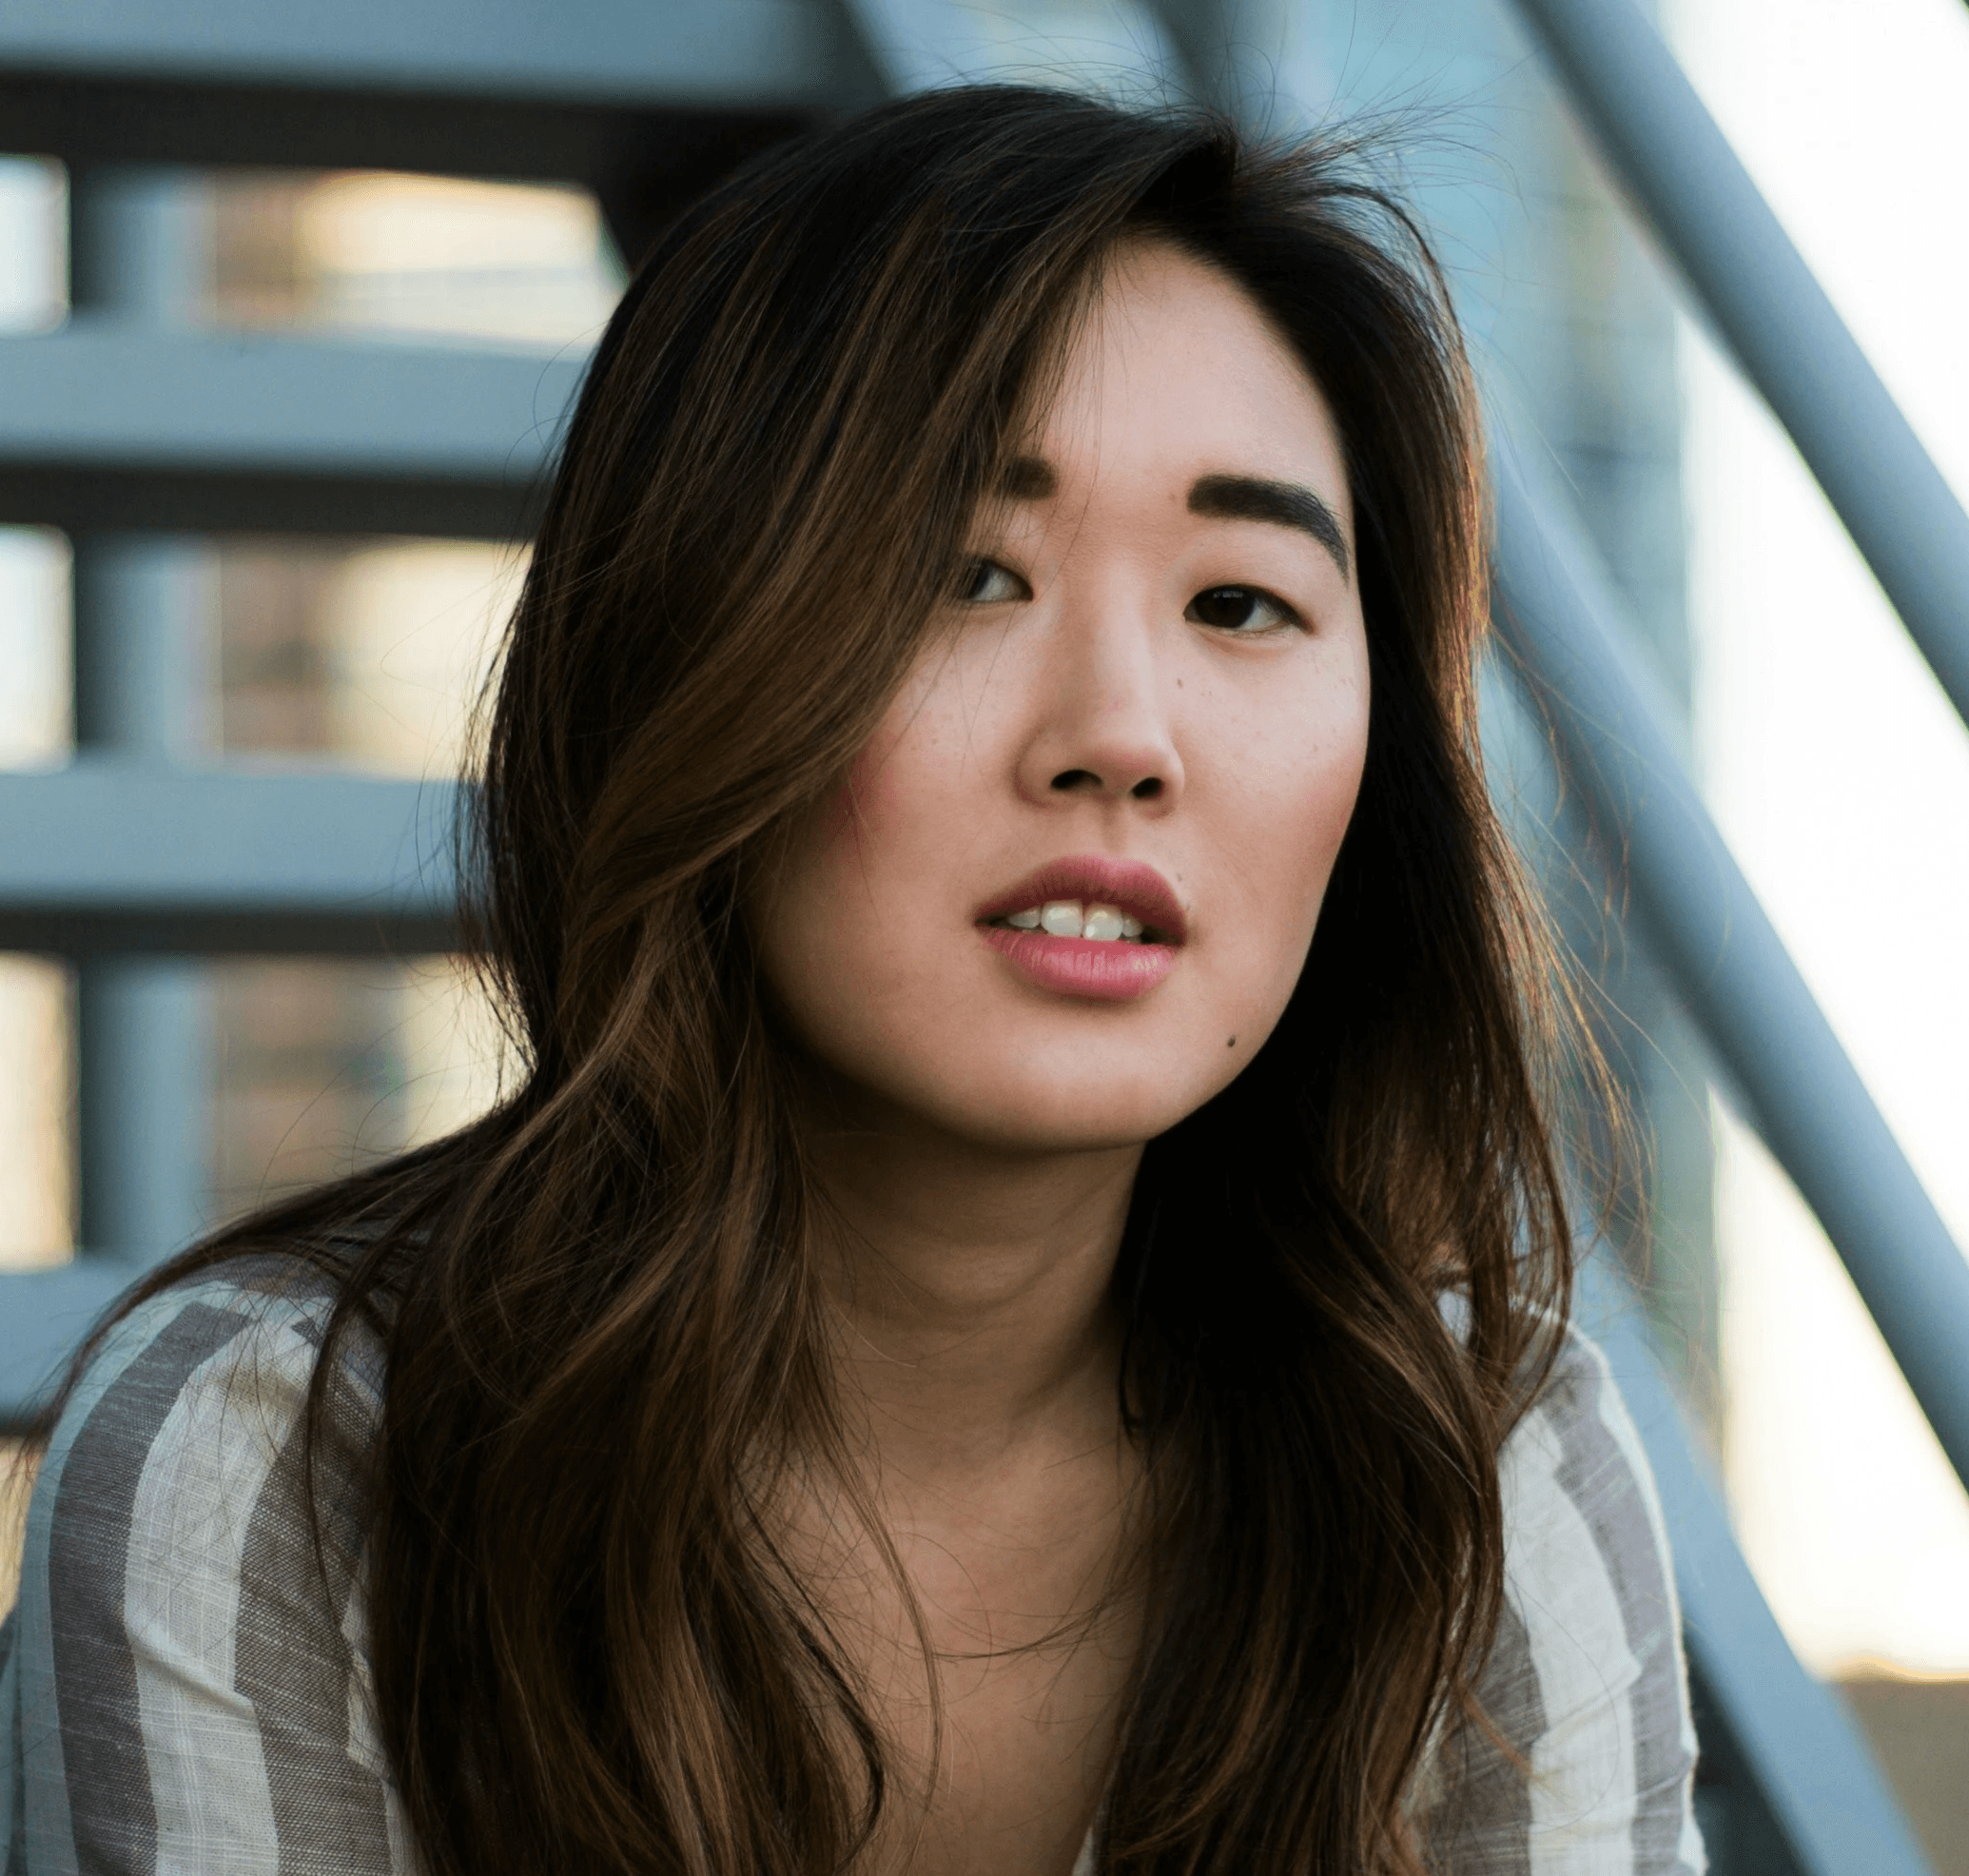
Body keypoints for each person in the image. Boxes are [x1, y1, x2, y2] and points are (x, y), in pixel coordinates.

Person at [0, 86, 1704, 1876]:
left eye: (1240, 603)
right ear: (691, 650)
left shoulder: (1477, 1483)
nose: (1118, 736)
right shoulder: (270, 1470)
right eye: (967, 574)